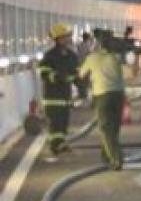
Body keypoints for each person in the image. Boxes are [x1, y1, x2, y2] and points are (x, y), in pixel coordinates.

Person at [79, 30, 126, 170]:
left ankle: (116, 158)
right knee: (115, 126)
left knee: (106, 127)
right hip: (118, 94)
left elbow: (81, 75)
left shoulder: (92, 58)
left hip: (102, 95)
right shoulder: (117, 57)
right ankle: (106, 154)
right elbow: (131, 71)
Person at [37, 23, 82, 160]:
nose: (68, 39)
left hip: (65, 96)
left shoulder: (72, 56)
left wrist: (82, 88)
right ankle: (55, 146)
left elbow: (77, 74)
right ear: (58, 38)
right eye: (65, 36)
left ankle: (61, 143)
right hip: (52, 96)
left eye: (68, 36)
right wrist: (57, 77)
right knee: (55, 123)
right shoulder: (49, 56)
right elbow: (44, 73)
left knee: (63, 122)